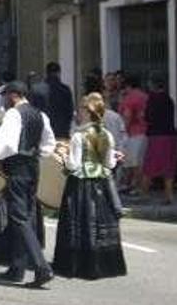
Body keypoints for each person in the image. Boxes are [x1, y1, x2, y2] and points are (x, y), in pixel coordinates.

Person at [0, 81, 56, 288]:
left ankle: (42, 267)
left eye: (6, 95)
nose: (4, 100)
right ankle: (17, 267)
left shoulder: (13, 114)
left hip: (16, 167)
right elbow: (48, 144)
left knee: (18, 216)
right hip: (33, 167)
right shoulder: (40, 114)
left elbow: (6, 144)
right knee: (25, 214)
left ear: (14, 95)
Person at [53, 93, 127, 280]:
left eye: (81, 109)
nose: (78, 112)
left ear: (87, 112)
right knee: (99, 225)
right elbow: (109, 164)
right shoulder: (106, 134)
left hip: (80, 186)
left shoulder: (79, 136)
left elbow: (74, 165)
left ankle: (77, 264)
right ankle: (103, 264)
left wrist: (63, 157)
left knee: (79, 225)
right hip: (101, 185)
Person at [141, 76, 177, 205]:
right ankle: (169, 194)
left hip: (157, 135)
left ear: (153, 86)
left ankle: (144, 193)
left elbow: (148, 117)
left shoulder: (153, 99)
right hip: (170, 134)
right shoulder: (168, 99)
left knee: (150, 164)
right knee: (168, 165)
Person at [119, 73, 149, 194]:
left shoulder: (130, 98)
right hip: (145, 131)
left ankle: (137, 187)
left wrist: (122, 131)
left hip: (134, 133)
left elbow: (127, 116)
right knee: (140, 160)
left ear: (128, 86)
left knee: (134, 162)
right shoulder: (145, 96)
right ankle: (135, 185)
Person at [41, 62, 75, 141]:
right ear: (59, 73)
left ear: (46, 72)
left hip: (42, 131)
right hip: (61, 131)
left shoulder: (36, 89)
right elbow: (70, 111)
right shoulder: (65, 90)